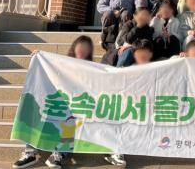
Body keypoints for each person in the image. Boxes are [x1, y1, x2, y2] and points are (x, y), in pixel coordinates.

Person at [12, 36, 94, 169]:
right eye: (80, 47)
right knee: (37, 112)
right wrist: (39, 57)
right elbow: (47, 68)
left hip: (75, 108)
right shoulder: (62, 63)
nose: (82, 50)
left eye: (86, 48)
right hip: (57, 103)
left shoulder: (91, 70)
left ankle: (58, 154)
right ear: (74, 48)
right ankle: (30, 152)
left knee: (70, 121)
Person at [105, 40, 154, 167]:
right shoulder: (126, 64)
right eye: (141, 53)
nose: (144, 56)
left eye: (147, 53)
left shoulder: (152, 67)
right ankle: (115, 152)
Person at [115, 0, 154, 68]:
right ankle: (119, 70)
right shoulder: (128, 25)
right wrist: (137, 27)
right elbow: (125, 39)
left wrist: (132, 45)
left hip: (140, 51)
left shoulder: (148, 28)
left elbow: (148, 43)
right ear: (134, 16)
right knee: (128, 51)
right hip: (126, 51)